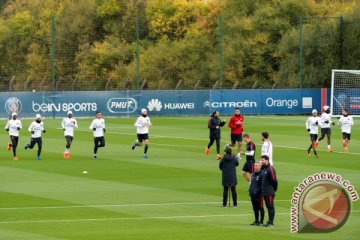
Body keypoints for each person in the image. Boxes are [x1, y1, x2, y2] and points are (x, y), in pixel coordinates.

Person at [260, 155, 278, 227]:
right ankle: (269, 222)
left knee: (270, 207)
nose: (261, 161)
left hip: (269, 192)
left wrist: (274, 189)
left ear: (267, 160)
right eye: (261, 160)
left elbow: (274, 180)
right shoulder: (264, 168)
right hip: (265, 191)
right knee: (268, 206)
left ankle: (271, 222)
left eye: (263, 160)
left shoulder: (270, 168)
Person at [249, 161, 264, 226]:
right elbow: (252, 184)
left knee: (260, 208)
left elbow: (262, 186)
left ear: (260, 166)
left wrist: (258, 192)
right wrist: (250, 191)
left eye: (257, 165)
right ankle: (256, 220)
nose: (255, 166)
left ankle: (261, 222)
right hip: (252, 194)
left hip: (259, 195)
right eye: (255, 165)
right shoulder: (253, 174)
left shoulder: (262, 175)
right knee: (255, 208)